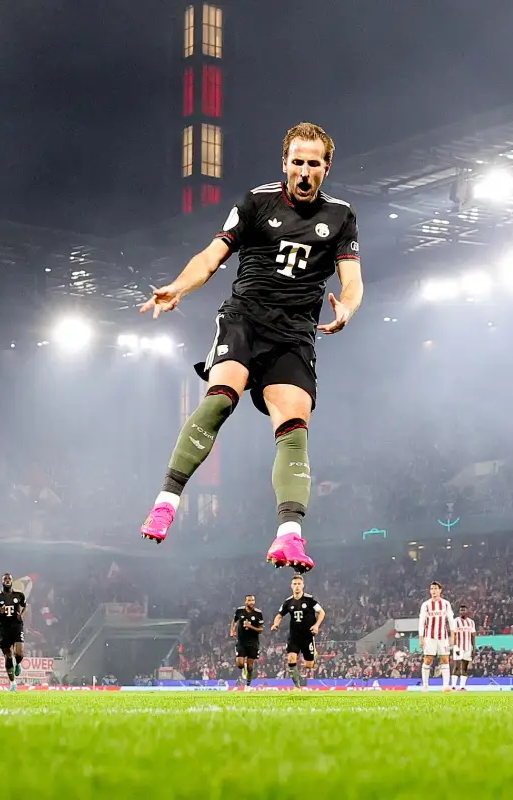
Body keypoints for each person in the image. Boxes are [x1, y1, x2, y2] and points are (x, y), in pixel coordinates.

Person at [137, 122, 364, 574]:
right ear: (285, 163)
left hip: (294, 332)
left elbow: (352, 280)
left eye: (313, 164)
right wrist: (179, 287)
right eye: (296, 162)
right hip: (246, 318)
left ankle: (289, 535)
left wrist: (348, 309)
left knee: (294, 427)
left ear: (326, 167)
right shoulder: (257, 203)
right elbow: (211, 256)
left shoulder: (341, 216)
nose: (304, 172)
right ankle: (165, 503)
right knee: (222, 397)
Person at [271, 575, 325, 688]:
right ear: (291, 586)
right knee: (291, 659)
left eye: (299, 584)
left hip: (307, 636)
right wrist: (276, 624)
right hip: (294, 636)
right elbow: (279, 615)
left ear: (303, 585)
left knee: (309, 665)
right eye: (295, 584)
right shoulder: (288, 602)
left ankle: (313, 654)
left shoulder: (310, 600)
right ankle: (297, 686)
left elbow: (321, 612)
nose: (297, 586)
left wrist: (316, 626)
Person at [0, 573, 27, 690]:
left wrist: (22, 615)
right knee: (8, 657)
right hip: (4, 630)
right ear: (2, 581)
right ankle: (12, 683)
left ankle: (18, 663)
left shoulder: (19, 595)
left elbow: (25, 606)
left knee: (19, 654)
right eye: (5, 579)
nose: (7, 580)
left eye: (9, 579)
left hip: (16, 627)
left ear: (12, 581)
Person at [416, 581, 456, 691]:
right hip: (429, 637)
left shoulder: (446, 604)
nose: (433, 591)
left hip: (443, 637)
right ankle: (425, 686)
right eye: (431, 589)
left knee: (445, 659)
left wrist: (452, 636)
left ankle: (446, 686)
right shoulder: (426, 605)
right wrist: (421, 638)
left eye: (435, 588)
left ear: (440, 590)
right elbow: (421, 622)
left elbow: (451, 620)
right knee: (428, 660)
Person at [230, 594, 266, 688]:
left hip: (253, 643)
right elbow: (234, 621)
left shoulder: (258, 613)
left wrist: (250, 626)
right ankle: (243, 667)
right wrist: (232, 630)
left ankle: (248, 685)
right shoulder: (239, 611)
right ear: (245, 602)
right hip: (241, 642)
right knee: (240, 664)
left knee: (250, 666)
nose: (251, 602)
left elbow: (261, 629)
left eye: (253, 600)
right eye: (249, 600)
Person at [450, 605, 477, 691]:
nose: (462, 612)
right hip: (458, 646)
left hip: (468, 647)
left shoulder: (471, 622)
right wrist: (455, 646)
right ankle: (453, 686)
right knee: (457, 666)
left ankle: (462, 686)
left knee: (464, 667)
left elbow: (473, 635)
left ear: (467, 611)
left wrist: (474, 648)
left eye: (463, 610)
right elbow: (453, 634)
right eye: (461, 610)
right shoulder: (456, 621)